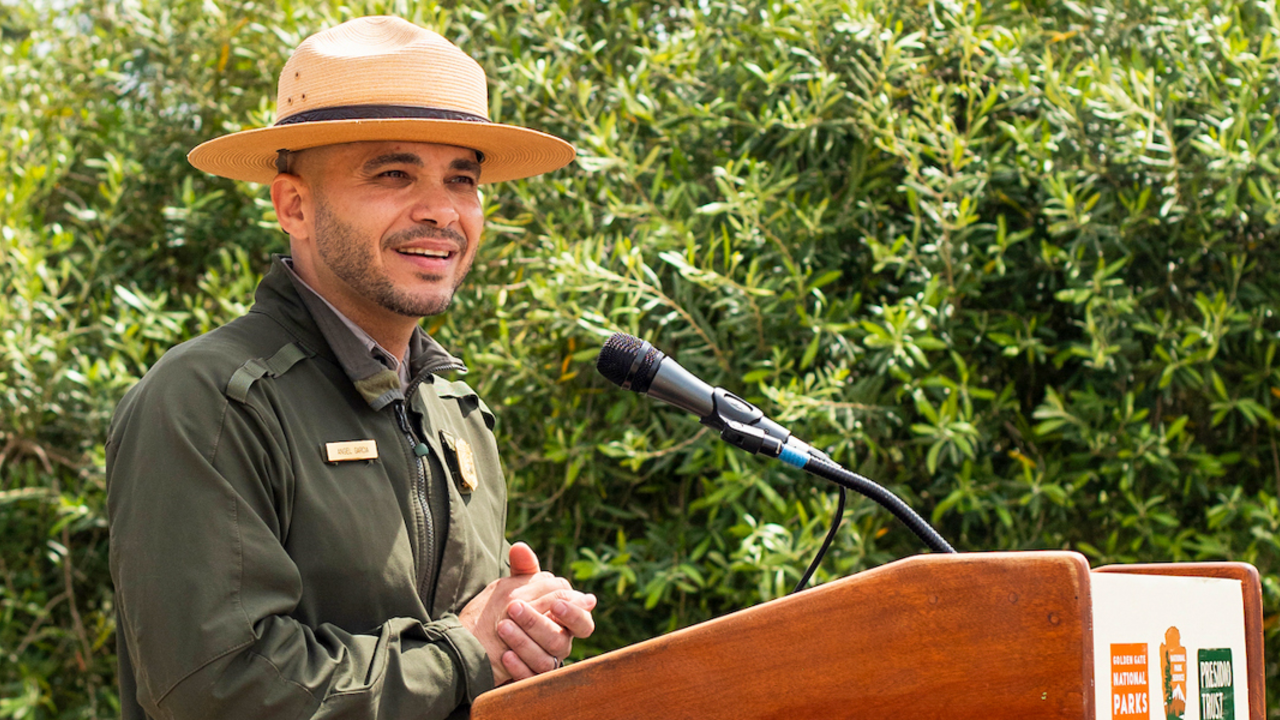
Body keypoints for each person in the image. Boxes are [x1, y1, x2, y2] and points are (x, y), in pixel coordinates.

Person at [106, 16, 595, 720]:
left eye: (463, 179)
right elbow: (218, 690)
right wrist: (468, 650)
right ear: (294, 205)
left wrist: (518, 630)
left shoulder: (456, 410)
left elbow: (465, 652)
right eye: (393, 174)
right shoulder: (211, 400)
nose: (441, 211)